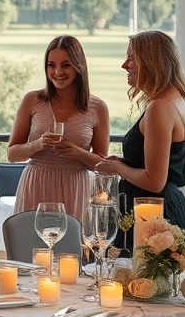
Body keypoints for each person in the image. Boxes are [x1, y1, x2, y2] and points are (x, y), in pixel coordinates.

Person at [96, 31, 185, 244]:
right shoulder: (175, 100)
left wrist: (116, 168)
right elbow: (165, 168)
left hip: (151, 217)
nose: (124, 65)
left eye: (131, 58)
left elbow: (155, 182)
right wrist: (126, 163)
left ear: (151, 62)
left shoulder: (160, 107)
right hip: (166, 208)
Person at [8, 36, 110, 220]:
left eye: (66, 65)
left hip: (76, 189)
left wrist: (79, 153)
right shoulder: (32, 100)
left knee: (73, 247)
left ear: (79, 66)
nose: (58, 72)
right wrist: (37, 144)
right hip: (36, 186)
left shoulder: (98, 107)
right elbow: (12, 154)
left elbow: (102, 165)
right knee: (32, 246)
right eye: (51, 65)